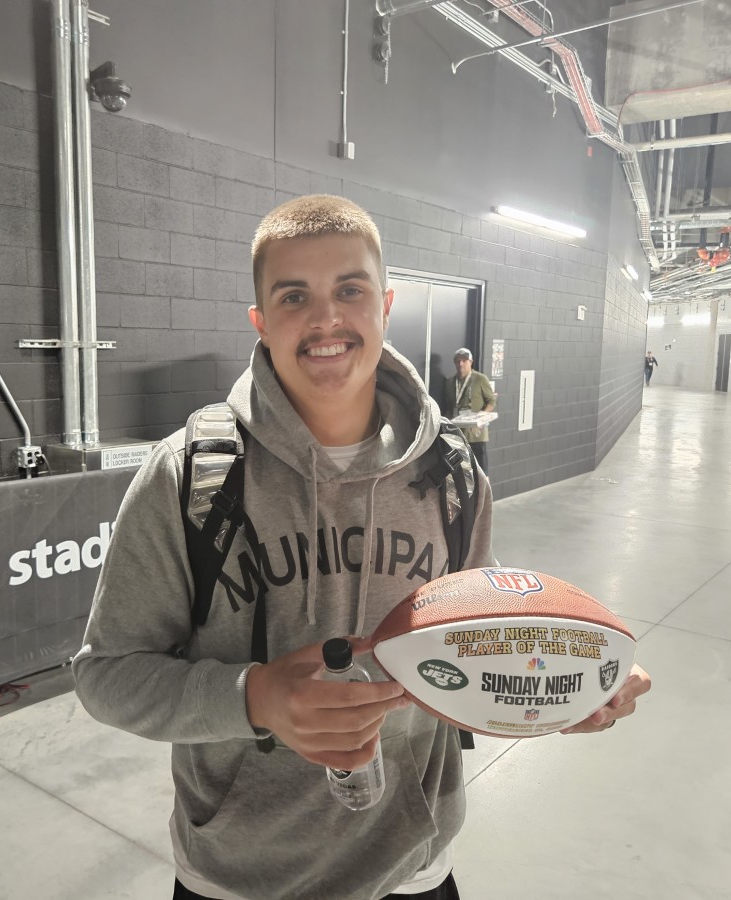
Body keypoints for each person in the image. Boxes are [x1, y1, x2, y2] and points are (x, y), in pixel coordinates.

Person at [72, 195, 651, 900]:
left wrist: (562, 685)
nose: (325, 320)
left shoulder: (452, 470)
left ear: (385, 304)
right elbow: (106, 675)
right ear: (260, 320)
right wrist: (254, 697)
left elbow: (475, 628)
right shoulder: (189, 474)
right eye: (294, 296)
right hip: (241, 872)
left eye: (350, 289)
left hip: (414, 863)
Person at [443, 348, 496, 474]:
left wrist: (481, 418)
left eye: (464, 360)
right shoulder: (450, 382)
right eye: (457, 361)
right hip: (457, 433)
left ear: (471, 362)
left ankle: (483, 492)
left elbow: (492, 401)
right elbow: (447, 406)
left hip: (476, 433)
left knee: (480, 468)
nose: (460, 364)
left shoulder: (480, 379)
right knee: (461, 469)